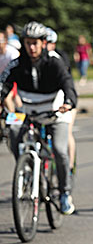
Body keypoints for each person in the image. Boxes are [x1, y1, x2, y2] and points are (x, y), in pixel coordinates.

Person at [0, 21, 77, 215]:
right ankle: (25, 167)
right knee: (13, 130)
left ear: (43, 42)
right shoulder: (18, 63)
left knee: (60, 151)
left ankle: (65, 194)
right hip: (27, 113)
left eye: (35, 43)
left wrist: (68, 102)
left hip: (54, 113)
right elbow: (4, 84)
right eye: (27, 43)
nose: (31, 47)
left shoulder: (54, 61)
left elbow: (68, 83)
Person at [45, 27, 77, 175]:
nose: (46, 46)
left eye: (50, 42)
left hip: (64, 102)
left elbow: (66, 83)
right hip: (46, 103)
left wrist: (68, 102)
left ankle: (68, 167)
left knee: (66, 133)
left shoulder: (59, 57)